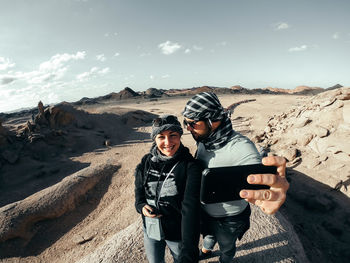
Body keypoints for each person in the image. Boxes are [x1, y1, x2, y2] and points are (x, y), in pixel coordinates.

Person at [182, 92, 289, 263]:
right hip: (205, 212)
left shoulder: (242, 148)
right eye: (185, 123)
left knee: (227, 245)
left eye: (193, 123)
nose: (188, 128)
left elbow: (260, 175)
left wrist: (273, 192)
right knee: (208, 235)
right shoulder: (204, 139)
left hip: (230, 219)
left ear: (213, 121)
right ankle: (207, 249)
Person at [134, 115, 202, 263]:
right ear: (155, 139)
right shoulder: (146, 161)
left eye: (173, 136)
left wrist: (189, 250)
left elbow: (191, 208)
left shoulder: (190, 166)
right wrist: (140, 206)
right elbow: (139, 189)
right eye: (161, 137)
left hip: (177, 232)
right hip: (151, 229)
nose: (167, 142)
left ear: (180, 137)